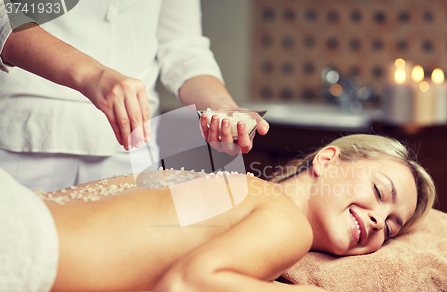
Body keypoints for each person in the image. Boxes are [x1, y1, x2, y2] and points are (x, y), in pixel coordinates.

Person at [0, 134, 435, 292]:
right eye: (380, 192)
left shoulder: (240, 189)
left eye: (392, 228)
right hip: (22, 239)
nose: (379, 221)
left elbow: (151, 225)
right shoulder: (287, 223)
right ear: (326, 161)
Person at [0, 0, 269, 192]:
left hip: (134, 150)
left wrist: (222, 106)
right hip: (22, 140)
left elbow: (182, 48)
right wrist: (91, 75)